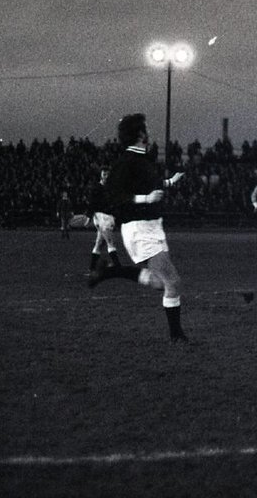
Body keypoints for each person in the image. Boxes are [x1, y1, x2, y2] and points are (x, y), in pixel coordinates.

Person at [88, 113, 189, 342]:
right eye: (145, 128)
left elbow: (151, 185)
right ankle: (177, 336)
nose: (148, 131)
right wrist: (145, 199)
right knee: (172, 281)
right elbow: (114, 195)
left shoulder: (142, 159)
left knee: (158, 282)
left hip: (153, 226)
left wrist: (172, 181)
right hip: (139, 228)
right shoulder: (126, 162)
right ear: (140, 134)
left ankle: (110, 271)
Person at [86, 167, 122, 271]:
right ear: (101, 175)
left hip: (107, 217)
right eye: (104, 174)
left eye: (107, 175)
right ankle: (118, 266)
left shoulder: (110, 188)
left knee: (99, 243)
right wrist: (89, 217)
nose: (106, 177)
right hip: (101, 217)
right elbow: (92, 203)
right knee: (110, 242)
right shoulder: (97, 187)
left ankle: (92, 268)